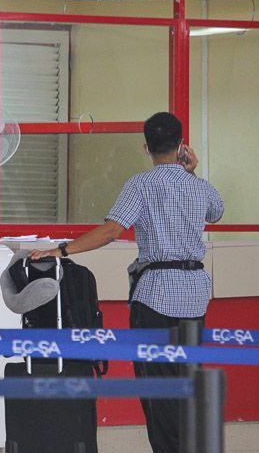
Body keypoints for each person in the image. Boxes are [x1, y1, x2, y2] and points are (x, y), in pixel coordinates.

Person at [31, 111, 224, 453]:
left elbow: (111, 230)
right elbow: (216, 211)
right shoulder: (197, 187)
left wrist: (62, 250)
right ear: (181, 146)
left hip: (155, 296)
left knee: (157, 390)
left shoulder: (141, 185)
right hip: (195, 296)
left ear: (146, 147)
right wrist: (192, 172)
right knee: (186, 383)